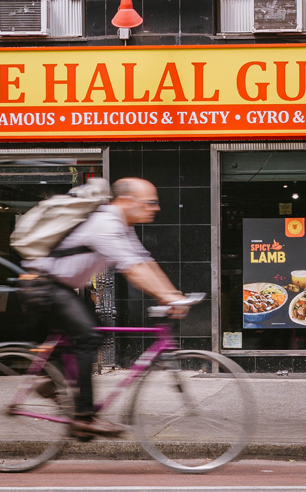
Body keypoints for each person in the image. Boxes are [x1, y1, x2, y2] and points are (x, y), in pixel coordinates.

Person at [21, 177, 186, 438]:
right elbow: (132, 271)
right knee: (89, 335)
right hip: (45, 286)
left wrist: (172, 294)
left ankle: (51, 379)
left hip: (59, 286)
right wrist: (167, 298)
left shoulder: (122, 225)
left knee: (98, 331)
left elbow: (145, 262)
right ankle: (84, 416)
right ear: (126, 201)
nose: (156, 208)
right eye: (151, 202)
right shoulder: (105, 224)